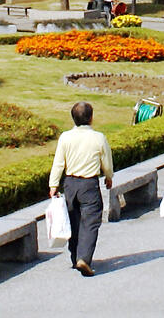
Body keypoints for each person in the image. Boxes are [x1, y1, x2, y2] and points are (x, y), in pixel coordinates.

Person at [49, 101, 116, 276]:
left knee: (74, 221)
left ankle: (75, 257)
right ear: (91, 118)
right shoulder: (98, 137)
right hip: (89, 184)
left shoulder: (65, 137)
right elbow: (107, 163)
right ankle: (83, 258)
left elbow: (58, 163)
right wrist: (109, 177)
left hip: (70, 183)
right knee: (91, 222)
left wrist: (53, 184)